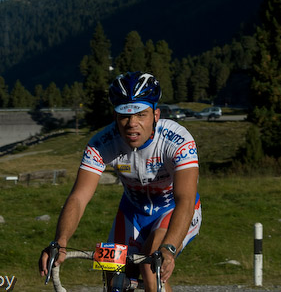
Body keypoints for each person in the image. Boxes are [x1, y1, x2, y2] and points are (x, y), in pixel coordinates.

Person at [39, 71, 202, 292]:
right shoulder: (102, 143)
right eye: (124, 116)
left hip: (172, 210)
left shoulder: (178, 140)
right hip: (132, 211)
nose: (132, 124)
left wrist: (169, 249)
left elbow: (185, 199)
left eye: (141, 115)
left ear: (156, 114)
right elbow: (78, 197)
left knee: (150, 265)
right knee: (112, 276)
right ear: (115, 116)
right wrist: (60, 241)